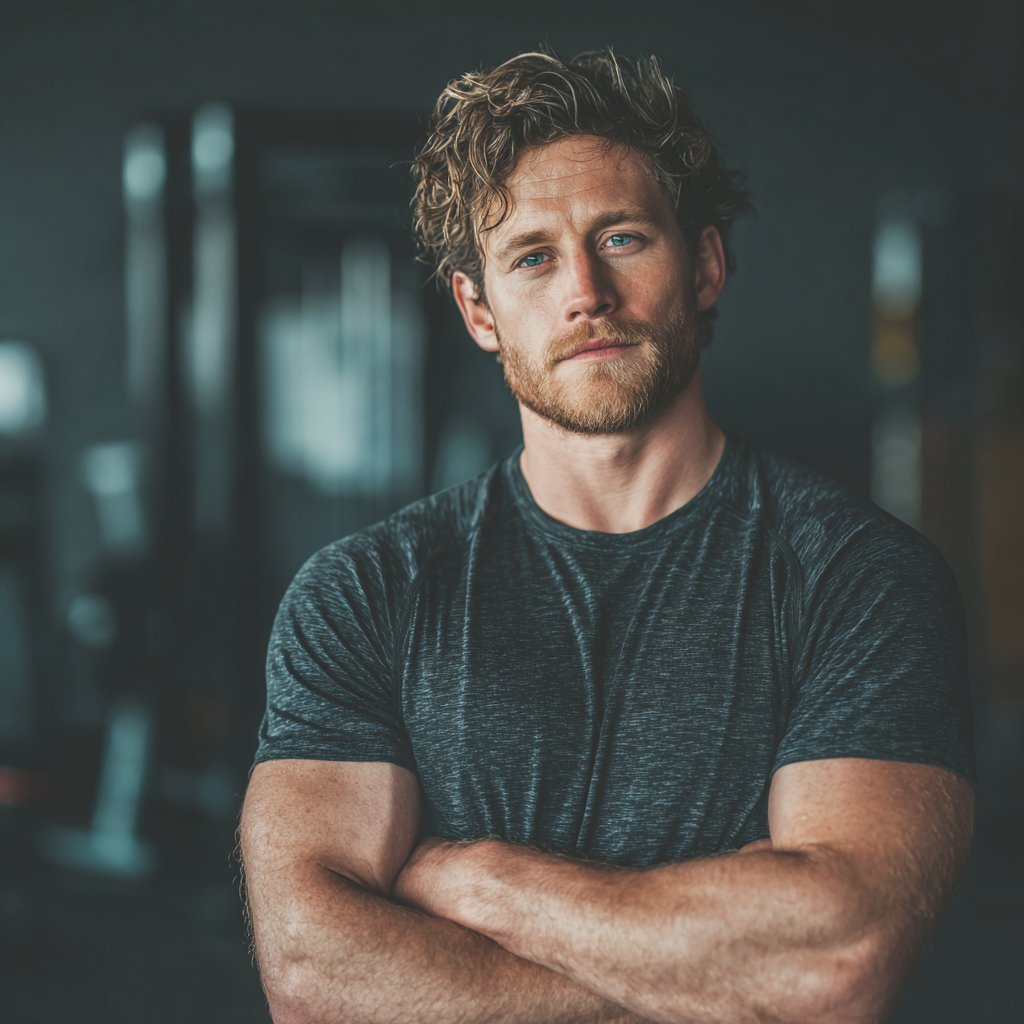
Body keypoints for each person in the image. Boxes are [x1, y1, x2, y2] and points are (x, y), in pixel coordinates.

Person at [240, 50, 974, 1024]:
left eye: (621, 237)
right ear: (477, 309)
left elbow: (829, 966)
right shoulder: (366, 593)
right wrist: (714, 976)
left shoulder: (862, 582)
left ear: (704, 262)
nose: (585, 290)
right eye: (532, 256)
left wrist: (479, 884)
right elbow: (313, 977)